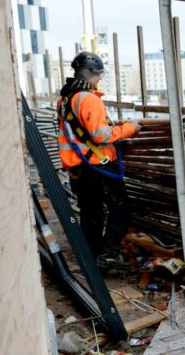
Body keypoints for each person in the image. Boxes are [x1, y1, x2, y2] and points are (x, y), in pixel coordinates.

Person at [57, 51, 141, 270]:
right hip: (97, 165)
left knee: (91, 212)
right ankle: (109, 255)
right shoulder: (89, 99)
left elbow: (79, 133)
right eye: (98, 74)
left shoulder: (65, 99)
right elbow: (100, 135)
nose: (100, 79)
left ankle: (91, 257)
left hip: (78, 166)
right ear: (91, 73)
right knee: (121, 209)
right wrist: (129, 129)